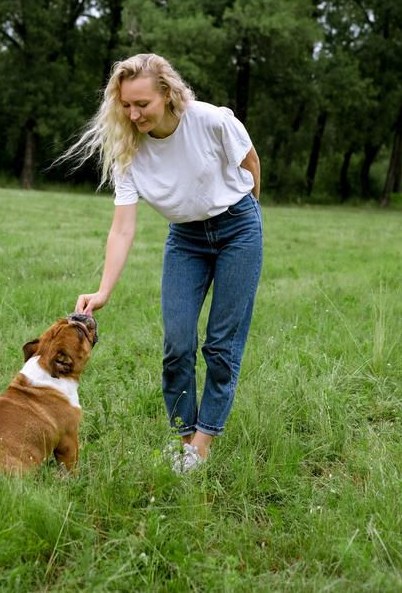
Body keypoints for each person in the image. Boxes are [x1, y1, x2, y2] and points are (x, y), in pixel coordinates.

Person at [67, 53, 263, 472]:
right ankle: (182, 438)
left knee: (220, 345)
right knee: (177, 344)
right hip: (186, 240)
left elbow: (250, 165)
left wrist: (250, 223)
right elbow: (122, 229)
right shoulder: (129, 151)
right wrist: (103, 291)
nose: (133, 114)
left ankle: (201, 445)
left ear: (168, 95)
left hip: (237, 231)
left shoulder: (211, 120)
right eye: (126, 105)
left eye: (143, 104)